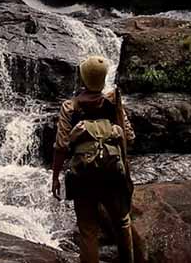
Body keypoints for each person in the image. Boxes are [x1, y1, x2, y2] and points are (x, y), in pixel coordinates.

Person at [51, 55, 136, 263]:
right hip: (112, 173)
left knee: (88, 231)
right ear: (103, 77)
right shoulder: (113, 104)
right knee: (123, 223)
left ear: (82, 77)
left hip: (83, 175)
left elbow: (61, 146)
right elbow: (130, 137)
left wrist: (55, 177)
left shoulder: (70, 107)